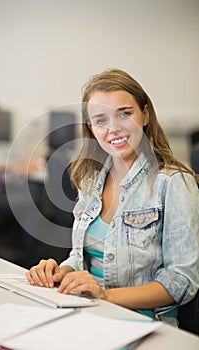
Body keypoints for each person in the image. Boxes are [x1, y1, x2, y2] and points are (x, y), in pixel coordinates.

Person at [26, 69, 199, 324]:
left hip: (141, 321)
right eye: (101, 120)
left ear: (145, 115)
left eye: (124, 114)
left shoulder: (174, 183)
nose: (114, 128)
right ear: (91, 128)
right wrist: (60, 272)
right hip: (85, 310)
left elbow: (182, 281)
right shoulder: (90, 179)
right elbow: (80, 256)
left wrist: (105, 295)